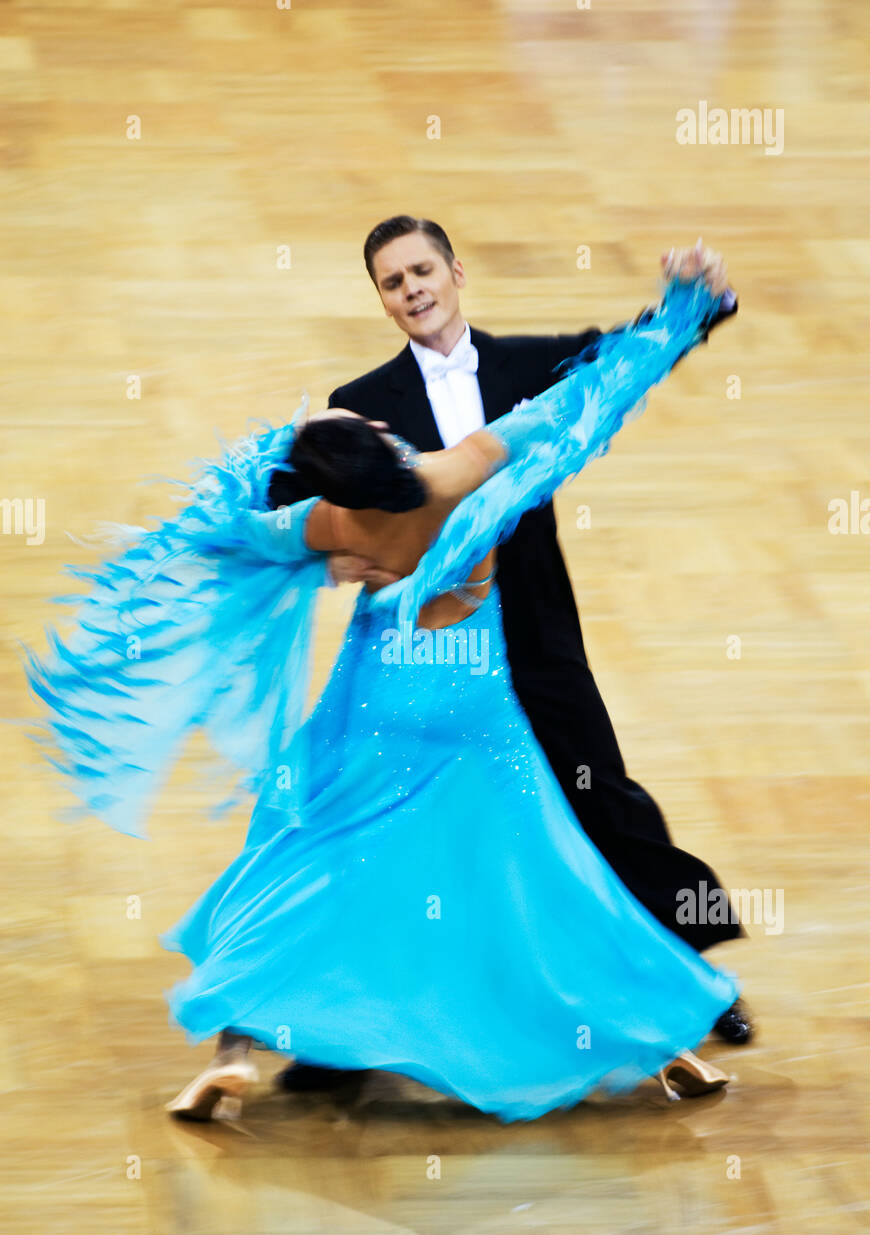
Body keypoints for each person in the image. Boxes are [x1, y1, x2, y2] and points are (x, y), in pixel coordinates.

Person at [22, 246, 741, 1125]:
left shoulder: (329, 523)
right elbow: (572, 405)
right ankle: (662, 1045)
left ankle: (235, 1056)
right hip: (474, 705)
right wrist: (675, 320)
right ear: (385, 448)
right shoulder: (458, 475)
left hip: (377, 707)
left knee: (293, 857)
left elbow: (235, 532)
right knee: (546, 876)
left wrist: (293, 528)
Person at [301, 217, 751, 1074]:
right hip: (429, 657)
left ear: (456, 271)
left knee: (598, 793)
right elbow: (299, 492)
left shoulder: (529, 365)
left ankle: (694, 976)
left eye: (422, 270)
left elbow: (631, 355)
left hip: (534, 621)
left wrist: (698, 300)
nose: (413, 291)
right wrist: (334, 552)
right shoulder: (360, 399)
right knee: (390, 821)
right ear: (382, 300)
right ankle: (334, 1037)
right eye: (393, 283)